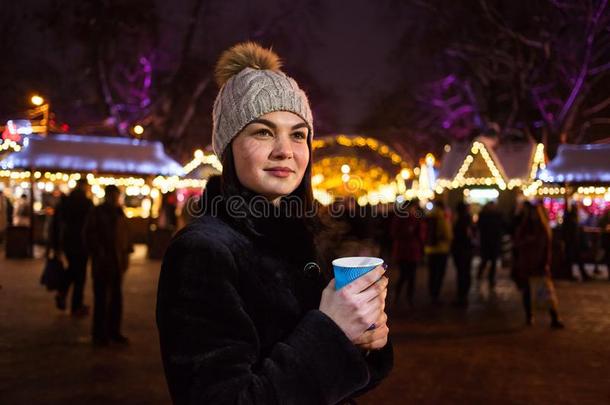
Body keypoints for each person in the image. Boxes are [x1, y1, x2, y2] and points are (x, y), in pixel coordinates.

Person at [156, 42, 392, 404]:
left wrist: (364, 341)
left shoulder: (305, 240)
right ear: (228, 147)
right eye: (263, 132)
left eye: (298, 134)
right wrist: (331, 332)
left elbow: (340, 382)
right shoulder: (203, 251)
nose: (285, 149)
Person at [84, 185, 133, 346]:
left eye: (116, 196)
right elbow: (89, 235)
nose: (114, 199)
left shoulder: (119, 212)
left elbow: (126, 234)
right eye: (112, 196)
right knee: (101, 299)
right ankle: (99, 334)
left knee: (116, 299)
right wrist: (99, 252)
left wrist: (126, 253)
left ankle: (113, 331)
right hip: (103, 262)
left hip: (117, 261)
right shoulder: (98, 212)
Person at [512, 202, 564, 328]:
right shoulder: (525, 228)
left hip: (538, 264)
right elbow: (517, 243)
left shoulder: (542, 229)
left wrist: (545, 263)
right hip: (526, 263)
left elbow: (547, 248)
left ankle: (554, 317)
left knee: (545, 292)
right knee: (528, 291)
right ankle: (529, 316)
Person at [50, 180, 93, 315]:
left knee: (73, 270)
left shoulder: (65, 202)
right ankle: (75, 305)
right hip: (82, 243)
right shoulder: (86, 203)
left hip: (68, 243)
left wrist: (56, 245)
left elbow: (55, 225)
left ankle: (63, 294)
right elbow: (91, 226)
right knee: (79, 275)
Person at [390, 200, 426, 308]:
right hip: (403, 251)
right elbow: (394, 233)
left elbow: (421, 235)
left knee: (412, 276)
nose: (412, 210)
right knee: (404, 275)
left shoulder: (416, 219)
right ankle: (398, 296)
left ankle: (409, 298)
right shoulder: (400, 219)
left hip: (412, 251)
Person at [425, 200, 453, 305]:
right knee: (439, 273)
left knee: (432, 273)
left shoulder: (429, 216)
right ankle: (435, 295)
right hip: (441, 249)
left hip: (429, 249)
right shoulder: (442, 217)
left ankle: (431, 293)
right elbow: (448, 234)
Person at [451, 201, 475, 307]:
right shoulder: (466, 220)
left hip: (461, 250)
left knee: (462, 273)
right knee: (464, 272)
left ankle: (462, 296)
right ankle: (462, 295)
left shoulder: (460, 221)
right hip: (464, 249)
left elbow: (465, 235)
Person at [476, 201, 504, 289]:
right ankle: (481, 275)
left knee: (492, 262)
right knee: (485, 260)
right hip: (487, 241)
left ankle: (490, 278)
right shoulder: (485, 215)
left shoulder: (496, 215)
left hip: (493, 241)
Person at [562, 206, 591, 281]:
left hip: (572, 243)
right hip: (572, 243)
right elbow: (572, 233)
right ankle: (580, 275)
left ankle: (575, 275)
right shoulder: (572, 220)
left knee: (573, 261)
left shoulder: (570, 220)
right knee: (576, 260)